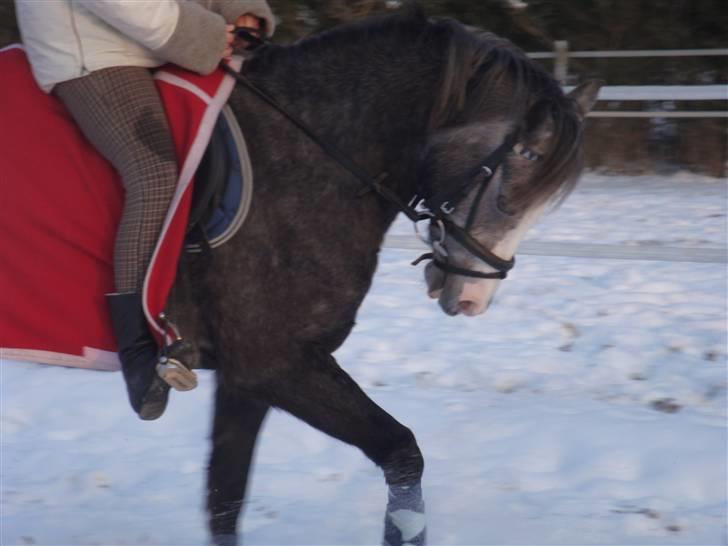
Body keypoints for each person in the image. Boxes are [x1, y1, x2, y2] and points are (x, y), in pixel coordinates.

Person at [14, 0, 276, 420]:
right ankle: (136, 346)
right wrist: (202, 34)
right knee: (153, 172)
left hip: (159, 43)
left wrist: (239, 9)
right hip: (94, 53)